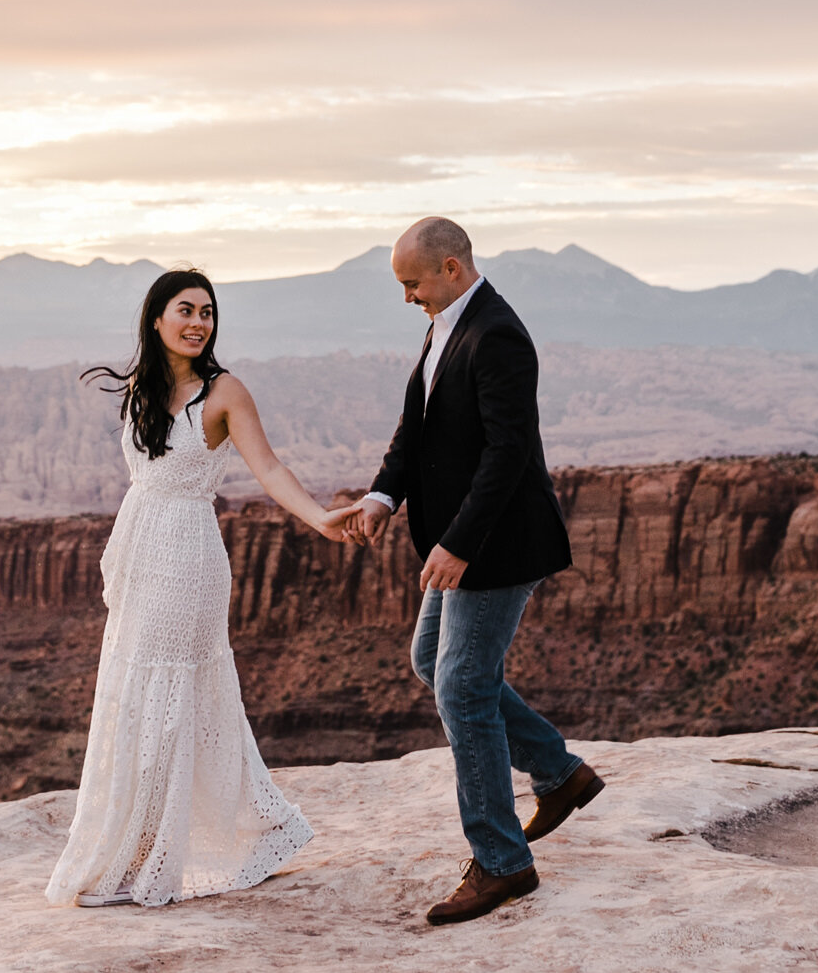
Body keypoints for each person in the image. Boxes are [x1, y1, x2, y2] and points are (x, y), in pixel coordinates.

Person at [46, 267, 349, 909]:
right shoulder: (141, 389)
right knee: (138, 694)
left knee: (168, 697)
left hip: (188, 557)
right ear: (156, 318)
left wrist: (318, 515)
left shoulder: (225, 392)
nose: (197, 323)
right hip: (141, 550)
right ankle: (249, 828)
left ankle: (150, 858)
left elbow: (267, 464)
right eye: (185, 309)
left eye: (207, 313)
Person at [342, 217, 601, 924]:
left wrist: (457, 544)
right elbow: (417, 430)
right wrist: (381, 495)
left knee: (461, 687)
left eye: (411, 283)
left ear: (451, 268)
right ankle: (557, 771)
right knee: (432, 660)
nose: (406, 297)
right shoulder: (445, 324)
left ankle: (501, 862)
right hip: (462, 540)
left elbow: (507, 454)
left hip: (496, 543)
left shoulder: (497, 335)